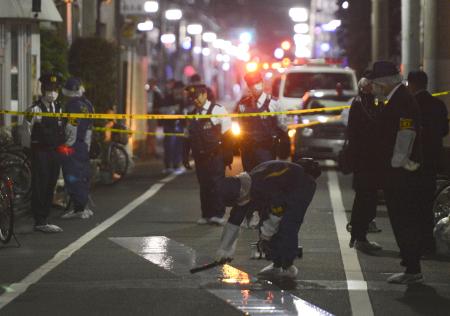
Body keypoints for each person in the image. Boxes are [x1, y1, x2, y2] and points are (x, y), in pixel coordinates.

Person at [215, 159, 320, 278]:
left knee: (287, 225)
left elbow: (275, 216)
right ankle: (277, 263)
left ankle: (287, 266)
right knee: (268, 227)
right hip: (282, 187)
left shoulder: (265, 186)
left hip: (302, 185)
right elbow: (234, 221)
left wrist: (266, 237)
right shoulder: (243, 186)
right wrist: (224, 251)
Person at [369, 61, 424, 284]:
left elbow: (405, 134)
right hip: (398, 173)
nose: (373, 86)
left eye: (375, 82)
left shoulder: (401, 100)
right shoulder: (396, 98)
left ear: (384, 82)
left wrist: (395, 166)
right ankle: (411, 267)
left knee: (404, 220)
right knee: (402, 220)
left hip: (401, 175)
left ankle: (413, 269)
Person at [407, 70, 449, 254]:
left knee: (411, 204)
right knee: (426, 202)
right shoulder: (438, 104)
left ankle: (415, 245)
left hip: (414, 160)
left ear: (412, 84)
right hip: (432, 159)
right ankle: (428, 243)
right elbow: (444, 130)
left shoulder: (411, 104)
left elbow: (406, 133)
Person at [183, 84, 234, 225]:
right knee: (204, 185)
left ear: (204, 94)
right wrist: (185, 156)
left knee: (216, 184)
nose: (195, 100)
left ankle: (218, 214)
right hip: (200, 157)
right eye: (192, 98)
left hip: (216, 155)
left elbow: (228, 135)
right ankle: (206, 214)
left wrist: (228, 155)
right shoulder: (192, 114)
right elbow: (187, 137)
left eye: (197, 96)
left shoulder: (217, 110)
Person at [346, 73, 383, 252]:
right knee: (366, 197)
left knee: (366, 197)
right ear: (366, 87)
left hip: (367, 159)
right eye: (373, 85)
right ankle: (359, 236)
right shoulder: (362, 104)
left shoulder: (366, 102)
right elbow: (370, 128)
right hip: (365, 160)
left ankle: (358, 234)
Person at [27, 72, 65, 233]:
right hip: (40, 151)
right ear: (43, 89)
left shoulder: (59, 108)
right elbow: (26, 130)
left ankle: (45, 218)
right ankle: (39, 219)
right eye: (49, 89)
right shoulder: (34, 109)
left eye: (55, 89)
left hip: (54, 152)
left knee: (51, 183)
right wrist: (28, 149)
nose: (52, 92)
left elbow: (63, 128)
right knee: (40, 185)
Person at [236, 71, 288, 172]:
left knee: (266, 181)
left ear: (262, 82)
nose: (255, 86)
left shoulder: (274, 103)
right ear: (248, 86)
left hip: (267, 150)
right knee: (250, 182)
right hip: (248, 152)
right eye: (252, 84)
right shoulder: (243, 105)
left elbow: (283, 127)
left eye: (257, 82)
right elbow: (240, 126)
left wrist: (283, 146)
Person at [59, 77, 94, 220]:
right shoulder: (88, 104)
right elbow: (90, 129)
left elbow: (71, 127)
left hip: (72, 147)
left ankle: (79, 208)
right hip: (83, 146)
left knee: (72, 176)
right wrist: (87, 145)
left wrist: (67, 145)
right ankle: (83, 206)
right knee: (83, 175)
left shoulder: (72, 105)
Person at [158, 80, 186, 174]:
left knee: (179, 145)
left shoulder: (183, 99)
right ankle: (168, 166)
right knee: (169, 145)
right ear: (174, 89)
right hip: (169, 125)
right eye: (179, 90)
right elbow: (161, 110)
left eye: (182, 90)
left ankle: (176, 165)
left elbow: (185, 113)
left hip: (180, 126)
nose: (180, 92)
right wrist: (173, 109)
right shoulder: (168, 98)